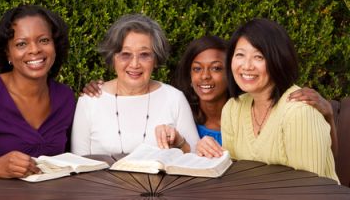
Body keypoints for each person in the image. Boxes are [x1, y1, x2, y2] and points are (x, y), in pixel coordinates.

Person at [83, 35, 337, 158]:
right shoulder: (186, 110)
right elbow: (191, 160)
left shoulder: (246, 112)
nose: (205, 77)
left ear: (230, 72)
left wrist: (329, 117)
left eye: (216, 69)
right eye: (197, 69)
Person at [0, 5, 75, 186]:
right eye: (21, 44)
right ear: (7, 52)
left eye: (44, 40)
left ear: (55, 45)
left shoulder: (65, 98)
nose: (35, 50)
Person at [221, 18, 338, 182]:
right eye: (240, 55)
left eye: (259, 57)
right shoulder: (233, 109)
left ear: (278, 60)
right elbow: (232, 176)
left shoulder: (299, 112)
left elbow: (309, 189)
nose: (247, 66)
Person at [71, 14, 199, 155]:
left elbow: (195, 157)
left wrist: (179, 142)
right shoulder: (90, 100)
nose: (134, 64)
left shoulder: (174, 98)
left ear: (155, 59)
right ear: (112, 58)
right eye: (125, 54)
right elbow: (79, 163)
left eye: (144, 55)